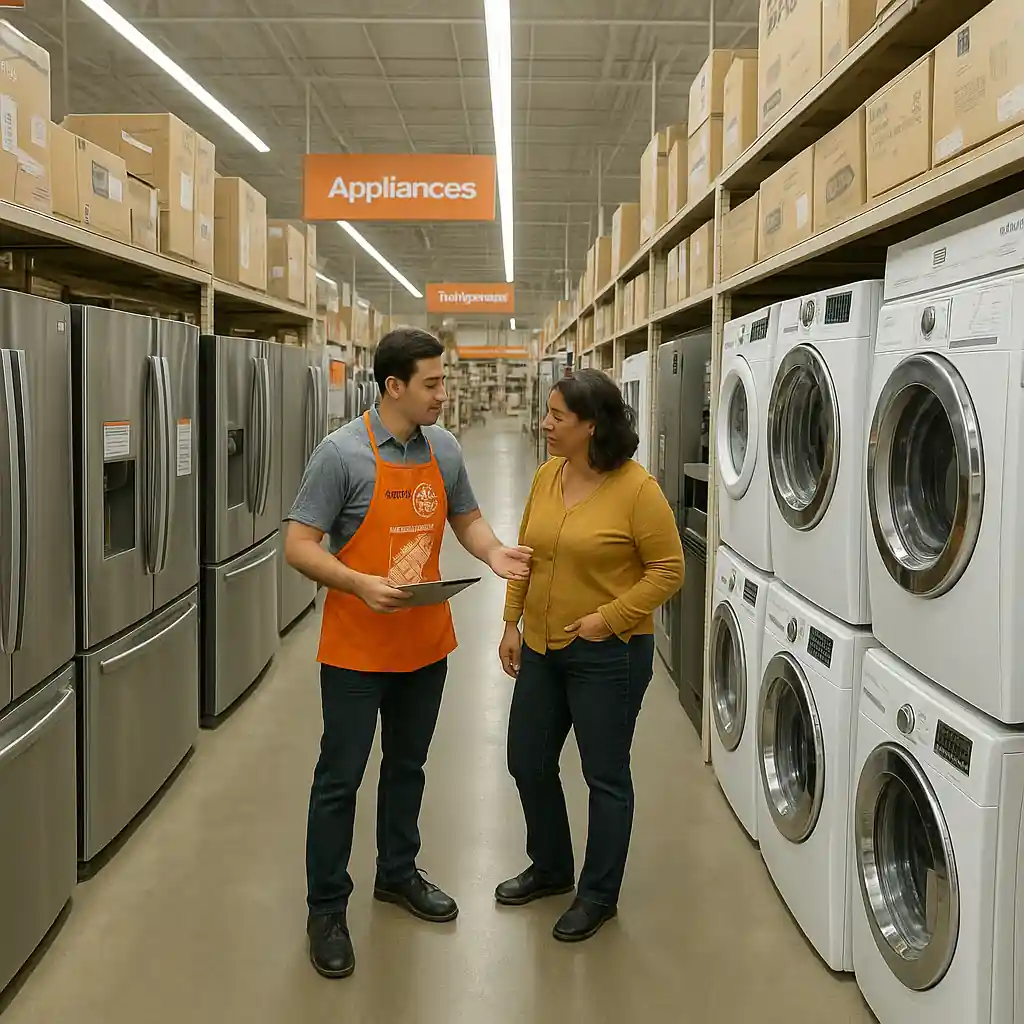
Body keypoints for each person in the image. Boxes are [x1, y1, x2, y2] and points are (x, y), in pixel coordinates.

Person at [286, 327, 532, 980]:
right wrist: (358, 582)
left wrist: (493, 551)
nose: (442, 395)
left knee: (408, 766)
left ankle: (396, 873)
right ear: (394, 386)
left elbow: (467, 518)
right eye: (432, 383)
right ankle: (326, 908)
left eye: (444, 382)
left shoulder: (444, 448)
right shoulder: (339, 455)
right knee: (339, 780)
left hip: (424, 644)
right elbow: (299, 544)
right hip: (356, 649)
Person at [496, 368, 684, 942]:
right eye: (547, 412)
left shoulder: (637, 490)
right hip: (542, 645)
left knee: (604, 776)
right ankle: (552, 866)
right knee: (526, 759)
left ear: (592, 425)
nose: (545, 424)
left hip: (610, 654)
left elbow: (669, 571)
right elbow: (524, 552)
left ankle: (598, 893)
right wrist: (510, 621)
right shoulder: (548, 474)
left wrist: (611, 618)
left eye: (558, 416)